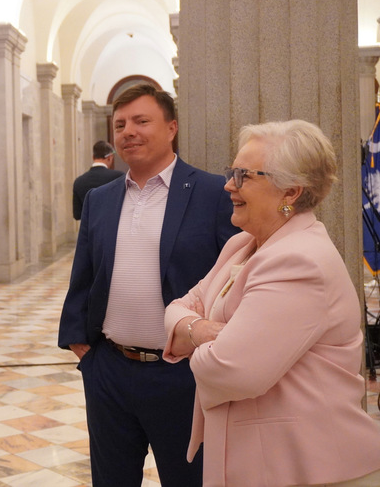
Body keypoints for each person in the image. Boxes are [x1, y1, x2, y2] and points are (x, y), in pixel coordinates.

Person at [163, 120, 380, 487]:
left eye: (243, 175)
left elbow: (231, 370)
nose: (228, 184)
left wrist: (197, 340)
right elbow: (175, 309)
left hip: (309, 467)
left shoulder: (300, 260)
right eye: (231, 172)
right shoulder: (241, 245)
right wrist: (206, 331)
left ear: (291, 191)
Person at [58, 84, 238, 487]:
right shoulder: (100, 199)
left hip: (183, 376)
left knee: (190, 479)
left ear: (171, 127)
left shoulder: (213, 193)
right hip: (110, 372)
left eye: (141, 121)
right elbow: (84, 276)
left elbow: (235, 278)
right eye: (120, 124)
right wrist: (83, 350)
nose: (128, 132)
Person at [72, 140, 124, 220]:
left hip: (90, 230)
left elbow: (77, 215)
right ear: (110, 157)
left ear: (93, 157)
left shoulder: (79, 181)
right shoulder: (119, 177)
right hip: (113, 228)